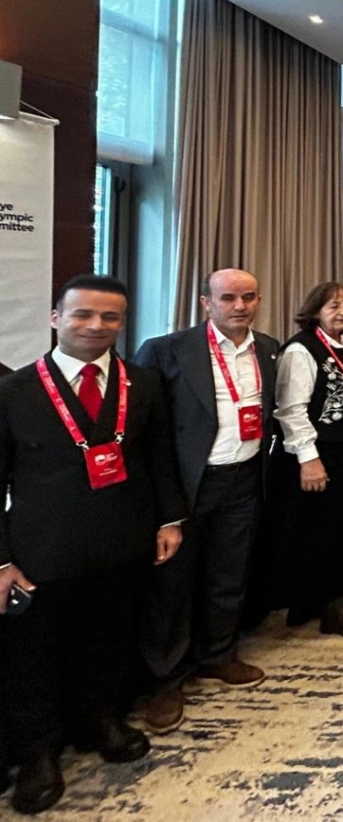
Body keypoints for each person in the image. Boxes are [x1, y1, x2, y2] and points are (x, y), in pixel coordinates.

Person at [0, 275, 185, 813]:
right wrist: (2, 560)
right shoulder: (13, 391)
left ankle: (100, 721)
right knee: (33, 655)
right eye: (82, 314)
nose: (96, 326)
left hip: (123, 541)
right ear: (55, 317)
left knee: (108, 640)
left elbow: (159, 457)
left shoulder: (142, 383)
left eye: (110, 317)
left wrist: (170, 520)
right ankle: (38, 754)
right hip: (41, 550)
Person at [134, 269, 278, 737]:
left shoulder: (269, 349)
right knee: (172, 584)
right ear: (205, 303)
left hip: (245, 477)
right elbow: (147, 432)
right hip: (188, 484)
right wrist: (164, 508)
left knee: (228, 573)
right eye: (228, 297)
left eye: (249, 297)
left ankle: (218, 653)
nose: (240, 306)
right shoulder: (165, 350)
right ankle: (166, 678)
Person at [273, 282, 343, 637]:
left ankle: (327, 597)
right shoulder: (301, 350)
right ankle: (331, 602)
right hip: (317, 453)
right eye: (334, 306)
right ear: (315, 310)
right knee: (323, 530)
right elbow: (290, 409)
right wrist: (309, 459)